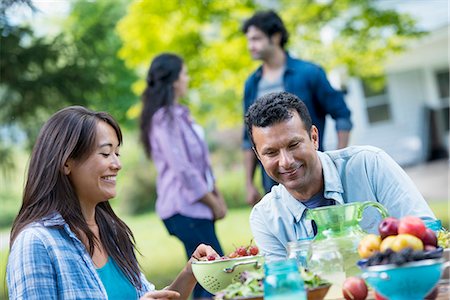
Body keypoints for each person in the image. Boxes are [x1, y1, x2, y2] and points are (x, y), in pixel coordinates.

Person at [7, 106, 219, 299]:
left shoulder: (113, 233)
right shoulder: (37, 243)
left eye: (117, 153)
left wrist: (190, 272)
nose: (117, 164)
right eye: (106, 153)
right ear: (66, 163)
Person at [244, 91, 436, 262]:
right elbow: (284, 285)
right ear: (258, 155)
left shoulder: (369, 165)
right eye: (271, 153)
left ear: (314, 138)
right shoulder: (265, 217)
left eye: (294, 145)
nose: (285, 161)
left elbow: (428, 235)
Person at [241, 10, 353, 205]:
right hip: (273, 179)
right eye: (249, 40)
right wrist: (249, 183)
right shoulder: (251, 83)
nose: (250, 46)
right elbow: (247, 137)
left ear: (275, 36)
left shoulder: (309, 73)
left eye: (256, 39)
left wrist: (338, 161)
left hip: (311, 170)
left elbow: (342, 115)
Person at [139, 53, 227, 300]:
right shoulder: (164, 119)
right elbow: (184, 170)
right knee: (217, 275)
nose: (188, 79)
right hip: (183, 208)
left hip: (194, 208)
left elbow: (200, 164)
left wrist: (216, 194)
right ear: (174, 80)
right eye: (185, 73)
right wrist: (213, 202)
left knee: (204, 277)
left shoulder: (180, 115)